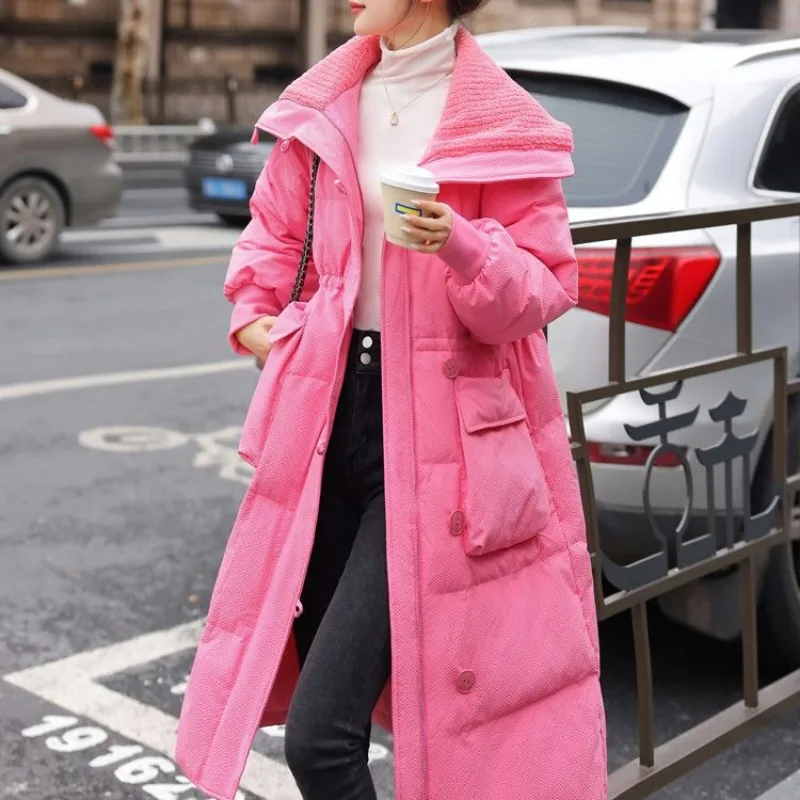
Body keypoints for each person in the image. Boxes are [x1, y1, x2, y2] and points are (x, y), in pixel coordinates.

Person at [175, 1, 607, 799]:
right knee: (372, 701)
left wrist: (461, 243)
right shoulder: (325, 105)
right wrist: (260, 328)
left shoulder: (501, 121)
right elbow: (269, 241)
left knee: (323, 738)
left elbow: (542, 291)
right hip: (322, 417)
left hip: (440, 440)